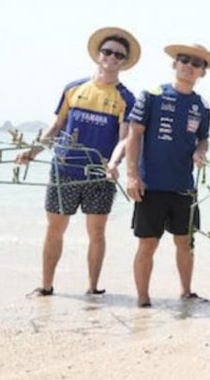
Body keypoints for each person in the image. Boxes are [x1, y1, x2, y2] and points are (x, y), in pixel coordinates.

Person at [16, 27, 140, 296]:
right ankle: (46, 286)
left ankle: (93, 288)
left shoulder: (126, 98)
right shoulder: (73, 88)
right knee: (54, 229)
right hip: (64, 170)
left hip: (99, 174)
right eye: (107, 51)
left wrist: (114, 163)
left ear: (124, 62)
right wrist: (32, 152)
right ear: (98, 54)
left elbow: (124, 139)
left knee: (97, 232)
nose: (112, 57)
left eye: (119, 55)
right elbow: (56, 126)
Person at [126, 43, 210, 308]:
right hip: (151, 185)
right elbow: (134, 134)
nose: (189, 66)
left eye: (196, 63)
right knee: (147, 244)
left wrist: (200, 152)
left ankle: (187, 293)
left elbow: (203, 139)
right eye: (184, 60)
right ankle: (143, 301)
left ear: (203, 72)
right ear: (174, 63)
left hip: (183, 187)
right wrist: (132, 175)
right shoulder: (151, 96)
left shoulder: (202, 106)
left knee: (185, 242)